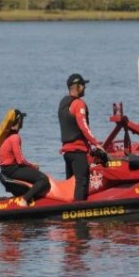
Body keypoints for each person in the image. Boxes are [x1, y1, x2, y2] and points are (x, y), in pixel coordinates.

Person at [58, 73, 105, 201]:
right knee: (81, 182)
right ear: (77, 86)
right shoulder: (78, 104)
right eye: (83, 85)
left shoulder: (63, 103)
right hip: (78, 151)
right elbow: (83, 126)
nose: (85, 88)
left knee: (71, 183)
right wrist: (96, 144)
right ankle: (79, 215)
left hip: (67, 152)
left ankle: (68, 212)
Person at [0, 110, 50, 207]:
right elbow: (20, 160)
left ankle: (31, 197)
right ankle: (24, 200)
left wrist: (30, 165)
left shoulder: (6, 136)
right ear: (19, 121)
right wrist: (31, 166)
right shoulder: (15, 137)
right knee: (43, 179)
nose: (23, 122)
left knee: (34, 174)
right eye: (22, 119)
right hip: (12, 169)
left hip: (6, 169)